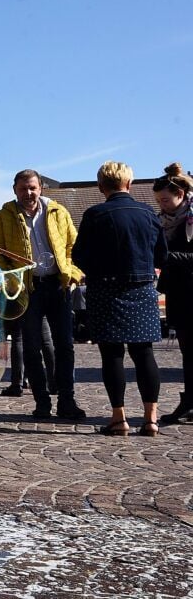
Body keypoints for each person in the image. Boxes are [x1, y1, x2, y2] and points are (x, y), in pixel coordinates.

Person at [73, 161, 167, 436]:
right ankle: (151, 419)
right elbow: (161, 255)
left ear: (101, 186)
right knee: (144, 353)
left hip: (106, 289)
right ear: (130, 184)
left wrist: (99, 271)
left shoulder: (95, 214)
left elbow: (79, 256)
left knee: (112, 355)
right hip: (142, 288)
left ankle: (119, 418)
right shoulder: (148, 213)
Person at [0, 170, 87, 420]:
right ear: (14, 190)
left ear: (41, 188)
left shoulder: (58, 212)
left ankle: (66, 400)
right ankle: (42, 402)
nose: (28, 193)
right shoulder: (2, 217)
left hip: (58, 286)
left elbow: (76, 246)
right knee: (31, 347)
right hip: (27, 290)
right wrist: (12, 276)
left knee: (65, 345)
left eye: (32, 188)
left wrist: (72, 274)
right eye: (23, 189)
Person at [153, 163, 193, 425]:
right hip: (179, 293)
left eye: (166, 200)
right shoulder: (164, 221)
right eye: (159, 201)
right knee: (187, 352)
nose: (162, 205)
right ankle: (189, 401)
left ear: (181, 194)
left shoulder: (190, 220)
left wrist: (166, 257)